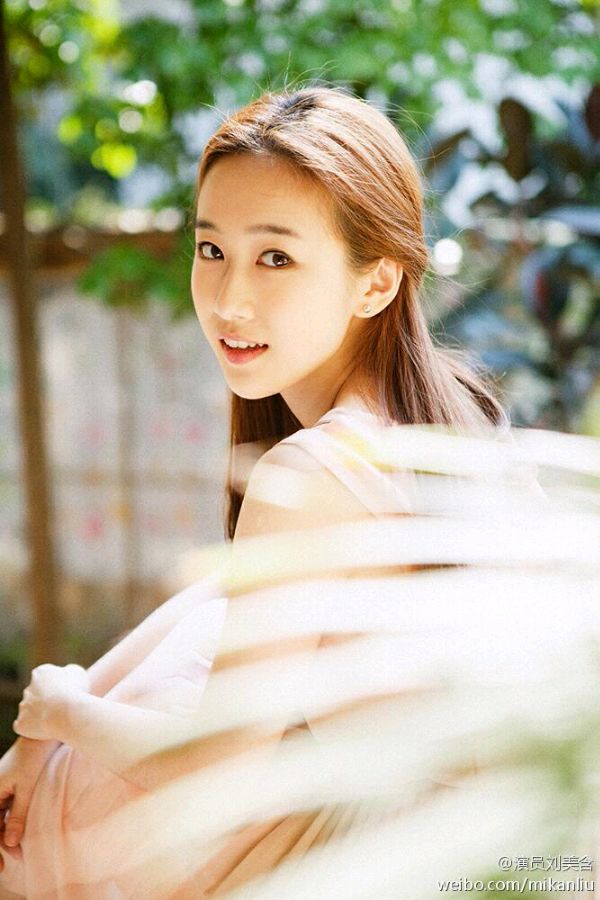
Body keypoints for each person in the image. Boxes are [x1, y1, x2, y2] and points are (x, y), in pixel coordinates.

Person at [0, 84, 504, 897]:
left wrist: (57, 710)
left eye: (276, 258)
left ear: (376, 283)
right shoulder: (440, 413)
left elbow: (210, 767)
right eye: (211, 250)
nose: (229, 301)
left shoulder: (315, 472)